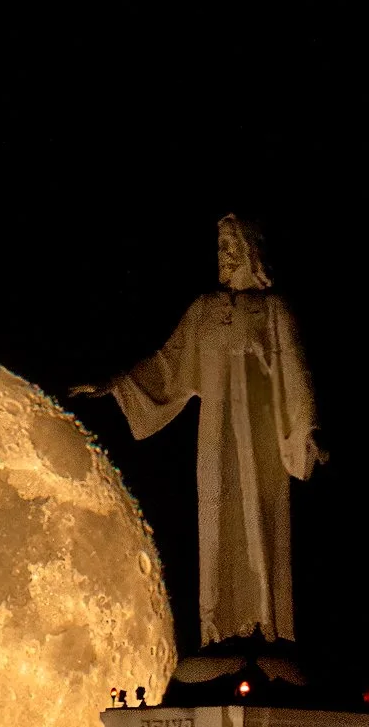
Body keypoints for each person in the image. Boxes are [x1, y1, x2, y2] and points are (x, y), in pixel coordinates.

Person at [72, 215, 326, 650]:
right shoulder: (203, 311)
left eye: (230, 245)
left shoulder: (272, 310)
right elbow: (168, 365)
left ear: (250, 250)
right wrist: (115, 384)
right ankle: (218, 629)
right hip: (215, 435)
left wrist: (309, 430)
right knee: (216, 517)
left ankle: (267, 626)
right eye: (219, 246)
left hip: (261, 436)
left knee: (257, 517)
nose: (223, 255)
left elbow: (296, 372)